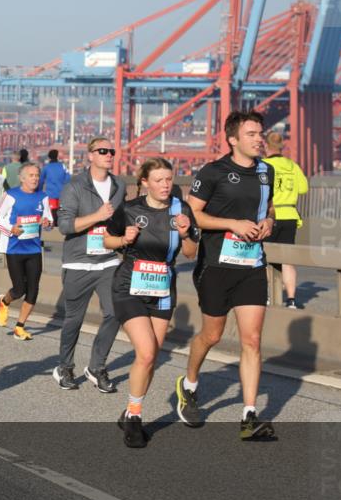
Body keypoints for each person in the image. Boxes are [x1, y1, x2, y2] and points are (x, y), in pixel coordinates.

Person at [181, 110, 277, 441]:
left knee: (251, 340)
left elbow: (269, 209)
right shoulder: (214, 172)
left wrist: (268, 224)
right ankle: (190, 383)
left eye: (260, 133)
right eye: (251, 134)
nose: (259, 138)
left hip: (251, 266)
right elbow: (191, 213)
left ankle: (249, 416)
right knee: (213, 335)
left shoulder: (268, 171)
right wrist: (232, 224)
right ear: (233, 139)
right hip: (216, 266)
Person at [104, 158, 198, 447]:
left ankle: (130, 409)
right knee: (145, 353)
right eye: (158, 180)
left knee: (151, 357)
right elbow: (107, 240)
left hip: (162, 289)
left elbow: (191, 253)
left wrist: (185, 234)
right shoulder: (130, 209)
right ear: (144, 182)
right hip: (128, 286)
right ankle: (134, 417)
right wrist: (123, 240)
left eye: (169, 179)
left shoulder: (180, 210)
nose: (165, 185)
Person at [53, 136, 126, 392]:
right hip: (78, 263)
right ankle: (65, 366)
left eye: (112, 150)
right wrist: (97, 216)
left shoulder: (120, 186)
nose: (109, 154)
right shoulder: (74, 186)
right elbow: (64, 225)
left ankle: (97, 367)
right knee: (74, 319)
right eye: (103, 150)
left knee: (114, 313)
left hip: (107, 261)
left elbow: (120, 220)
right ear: (91, 156)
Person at [0, 163, 53, 341]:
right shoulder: (11, 195)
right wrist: (11, 229)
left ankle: (20, 327)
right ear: (22, 178)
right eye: (31, 175)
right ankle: (4, 301)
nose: (35, 178)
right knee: (19, 290)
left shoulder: (43, 196)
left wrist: (47, 223)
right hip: (14, 249)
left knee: (33, 291)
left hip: (34, 249)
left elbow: (49, 218)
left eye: (37, 175)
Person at [263, 131, 308, 309]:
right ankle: (291, 300)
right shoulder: (292, 165)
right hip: (290, 216)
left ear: (266, 146)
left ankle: (267, 296)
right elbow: (303, 188)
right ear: (282, 147)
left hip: (269, 217)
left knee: (265, 258)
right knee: (287, 259)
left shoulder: (263, 165)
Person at [40, 148, 70, 224]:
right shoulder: (63, 166)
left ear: (49, 157)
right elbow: (68, 178)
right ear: (57, 156)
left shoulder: (46, 168)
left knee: (52, 211)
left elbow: (41, 181)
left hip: (50, 193)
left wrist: (39, 191)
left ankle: (53, 225)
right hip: (62, 193)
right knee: (61, 210)